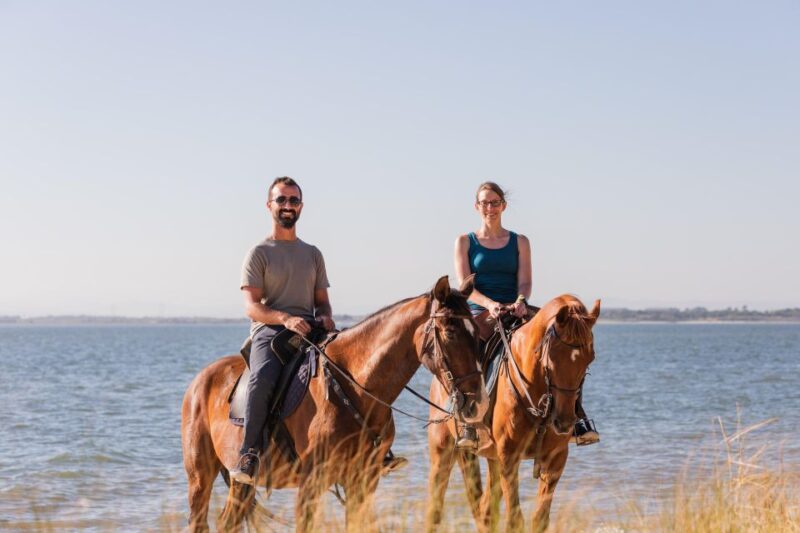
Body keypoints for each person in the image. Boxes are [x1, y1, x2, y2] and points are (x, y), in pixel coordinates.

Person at [454, 181, 599, 447]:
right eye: (485, 202)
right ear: (476, 207)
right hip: (481, 310)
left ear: (504, 206)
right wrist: (489, 304)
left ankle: (577, 417)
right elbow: (466, 287)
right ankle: (470, 424)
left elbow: (525, 282)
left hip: (516, 308)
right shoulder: (465, 241)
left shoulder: (520, 241)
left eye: (495, 202)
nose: (490, 207)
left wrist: (521, 300)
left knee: (561, 349)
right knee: (469, 354)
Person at [229, 176, 336, 485]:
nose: (288, 206)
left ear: (301, 206)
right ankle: (249, 453)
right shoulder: (259, 253)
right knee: (262, 378)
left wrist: (326, 318)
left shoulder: (313, 253)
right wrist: (285, 319)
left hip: (312, 330)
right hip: (270, 331)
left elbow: (322, 303)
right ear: (269, 205)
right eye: (282, 200)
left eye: (293, 200)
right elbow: (251, 306)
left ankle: (371, 447)